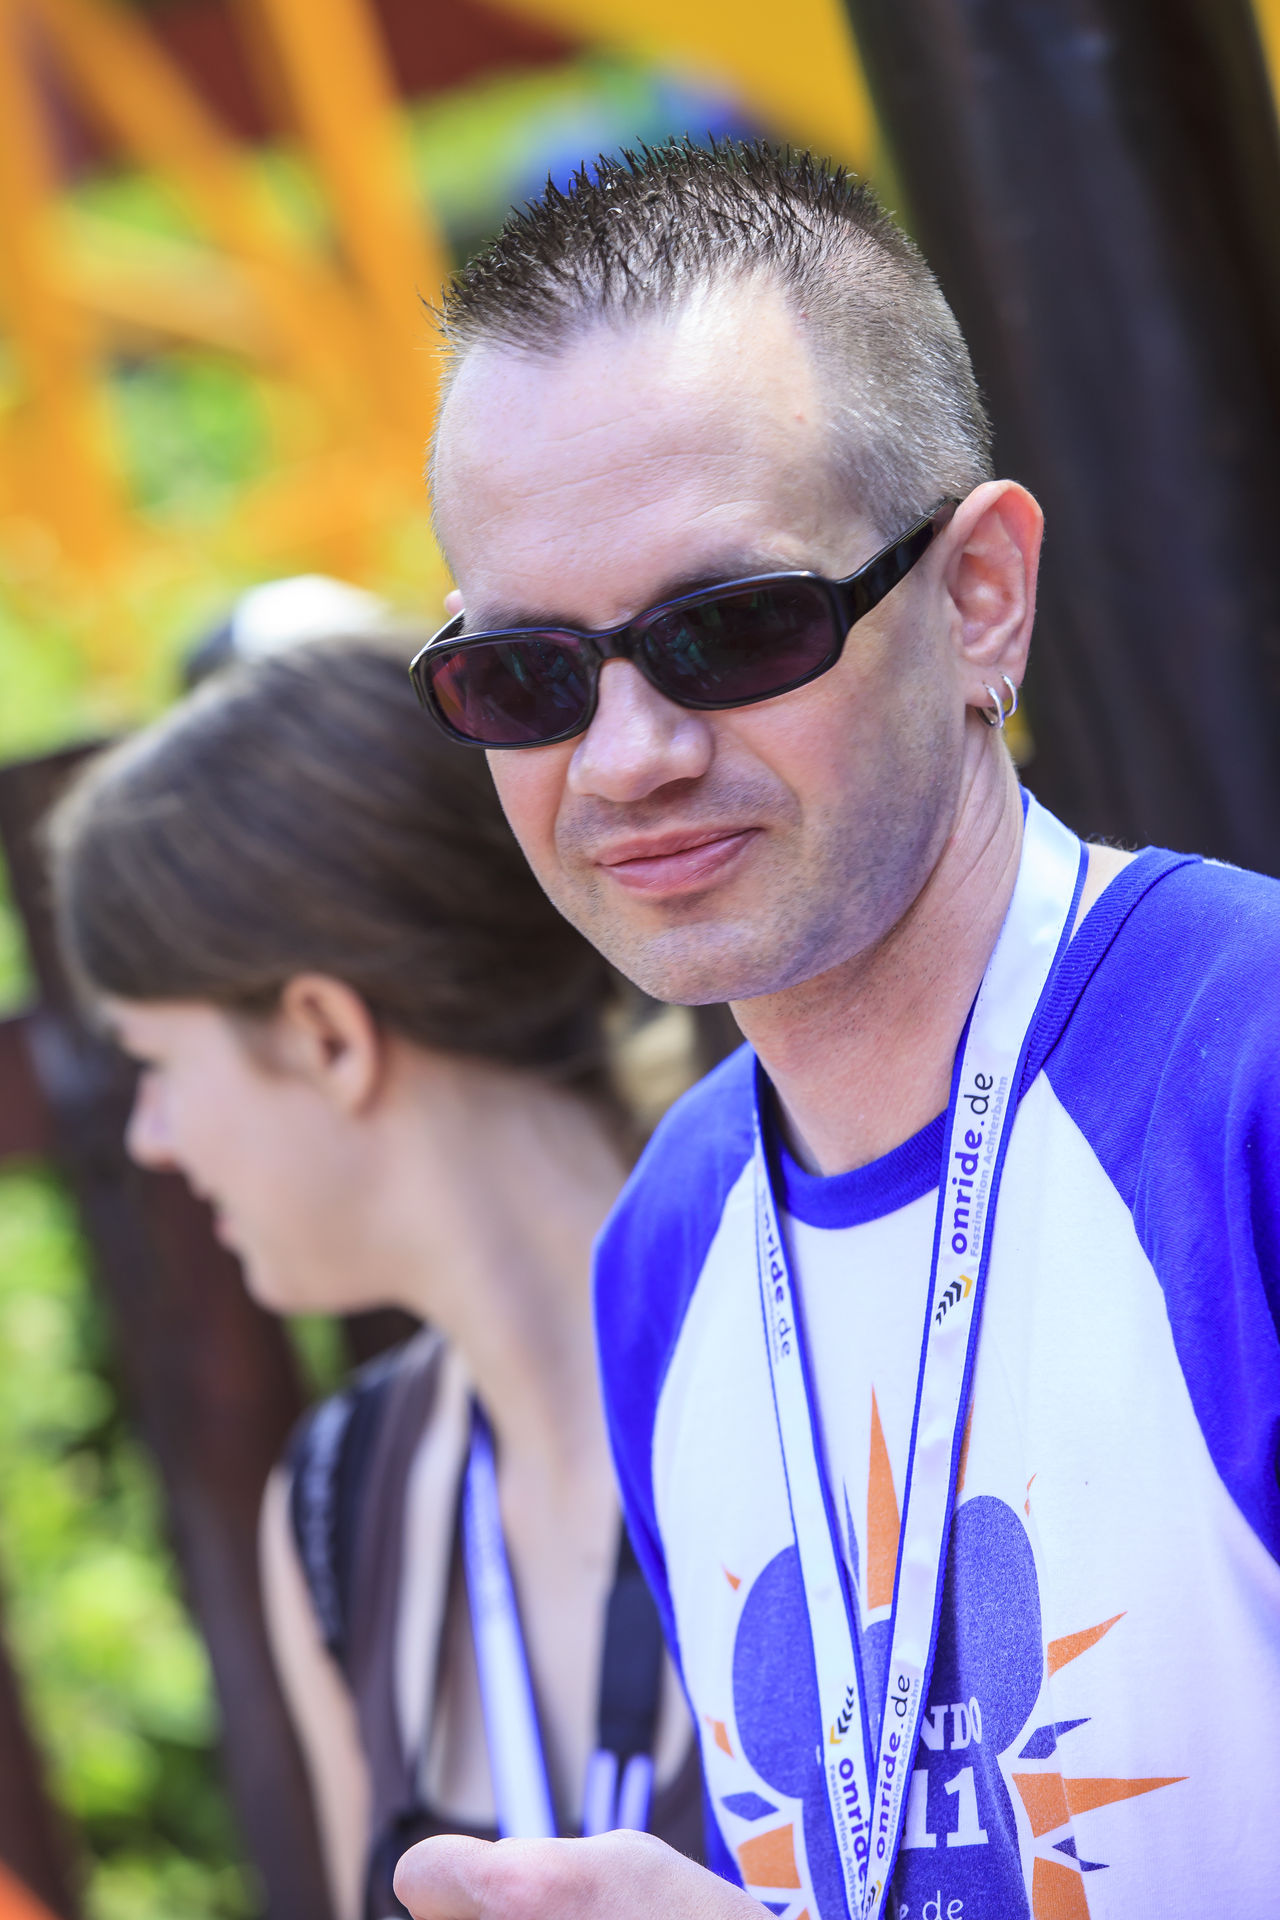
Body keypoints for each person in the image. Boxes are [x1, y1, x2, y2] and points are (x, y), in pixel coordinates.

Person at [393, 141, 1280, 1920]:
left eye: (731, 629)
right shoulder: (668, 1245)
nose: (629, 756)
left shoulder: (1243, 1066)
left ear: (980, 594)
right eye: (527, 677)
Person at [45, 639, 704, 1920]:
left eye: (157, 1066)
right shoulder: (339, 1505)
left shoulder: (827, 1351)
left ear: (325, 1036)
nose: (150, 1138)